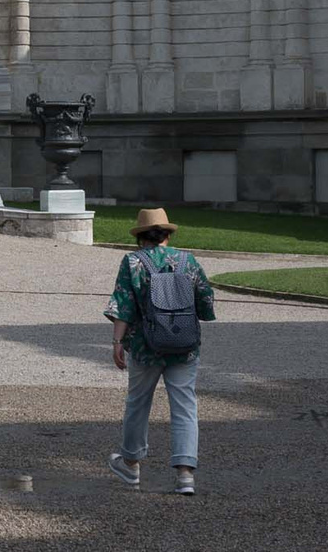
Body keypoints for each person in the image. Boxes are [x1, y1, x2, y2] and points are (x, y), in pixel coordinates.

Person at [105, 207, 215, 495]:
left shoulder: (133, 262)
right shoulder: (187, 261)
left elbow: (123, 304)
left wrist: (117, 342)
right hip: (184, 345)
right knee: (185, 406)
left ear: (141, 237)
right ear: (167, 234)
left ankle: (131, 465)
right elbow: (205, 299)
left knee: (138, 403)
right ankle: (185, 475)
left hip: (145, 346)